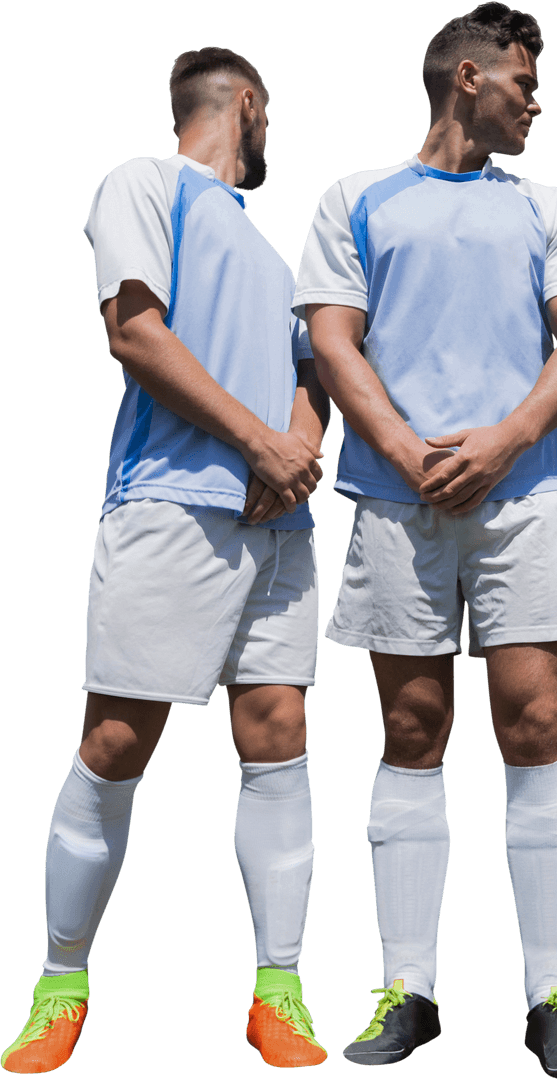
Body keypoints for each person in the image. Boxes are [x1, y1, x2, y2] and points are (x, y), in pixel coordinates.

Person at [293, 3, 557, 1075]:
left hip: (523, 501)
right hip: (398, 504)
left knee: (535, 722)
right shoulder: (354, 198)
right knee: (412, 727)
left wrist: (505, 440)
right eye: (524, 82)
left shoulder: (550, 208)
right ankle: (410, 991)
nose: (537, 103)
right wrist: (403, 449)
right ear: (468, 78)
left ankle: (554, 1000)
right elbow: (332, 341)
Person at [1, 46, 329, 1075]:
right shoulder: (144, 184)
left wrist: (298, 448)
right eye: (267, 116)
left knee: (279, 736)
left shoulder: (274, 256)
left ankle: (278, 992)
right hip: (172, 509)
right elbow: (135, 334)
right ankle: (60, 986)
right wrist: (260, 443)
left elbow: (311, 377)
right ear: (247, 104)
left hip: (278, 528)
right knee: (114, 741)